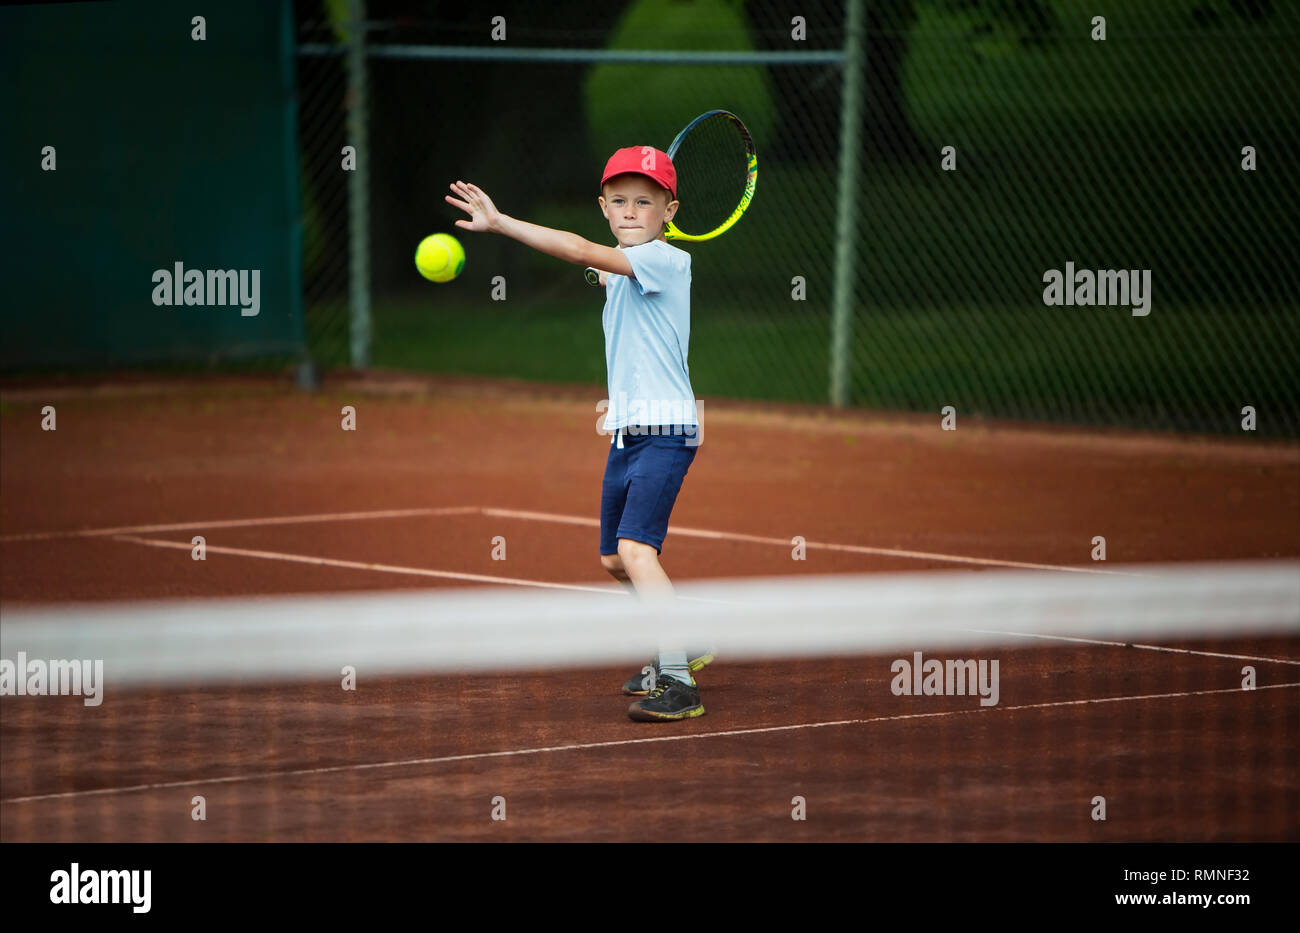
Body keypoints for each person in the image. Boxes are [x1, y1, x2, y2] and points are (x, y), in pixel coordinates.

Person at [445, 145, 713, 721]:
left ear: (671, 212)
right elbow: (595, 262)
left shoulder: (668, 261)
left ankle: (678, 681)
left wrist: (500, 223)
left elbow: (580, 250)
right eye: (619, 201)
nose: (631, 211)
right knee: (616, 561)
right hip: (623, 434)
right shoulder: (621, 265)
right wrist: (596, 265)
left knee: (639, 551)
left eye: (646, 202)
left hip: (667, 432)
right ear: (604, 206)